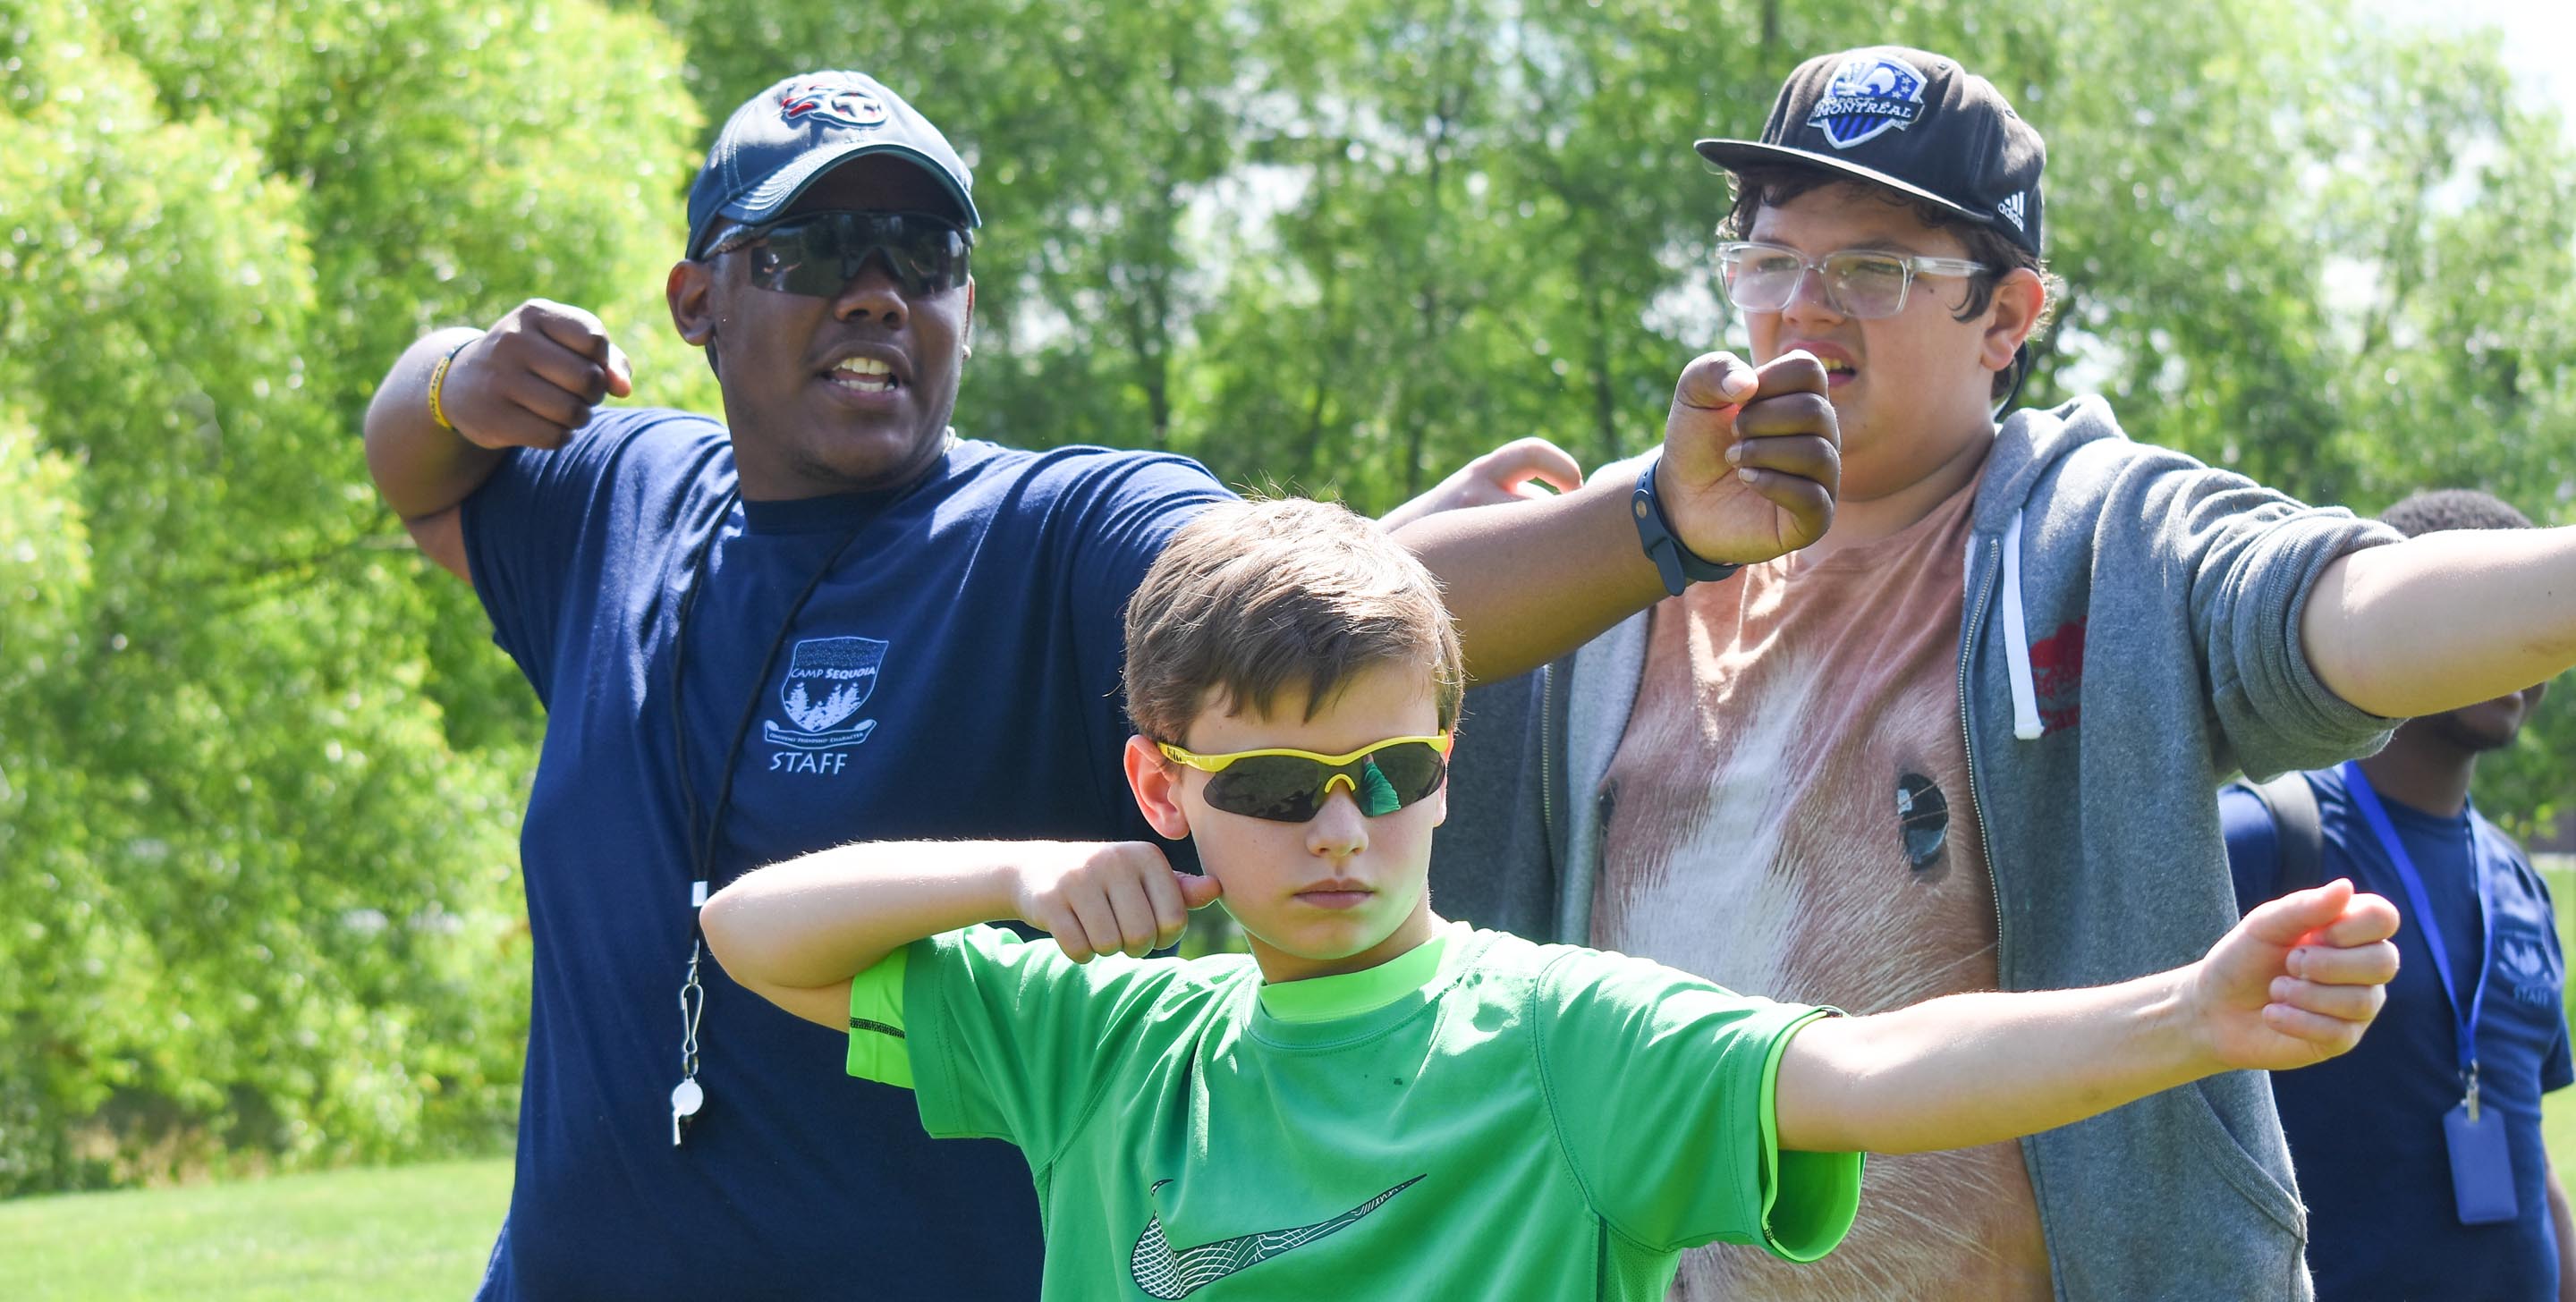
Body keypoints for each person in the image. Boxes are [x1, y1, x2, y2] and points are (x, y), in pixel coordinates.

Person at [362, 70, 1840, 1298]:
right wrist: (455, 377)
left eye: (921, 257)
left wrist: (1655, 523)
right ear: (699, 298)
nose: (877, 291)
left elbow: (1297, 635)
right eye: (816, 253)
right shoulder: (621, 491)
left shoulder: (1057, 529)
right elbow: (418, 474)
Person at [1414, 44, 2576, 1300]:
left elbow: (2338, 605)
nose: (1805, 305)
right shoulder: (1616, 549)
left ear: (2010, 316)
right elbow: (1292, 670)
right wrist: (1639, 526)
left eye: (1873, 268)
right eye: (1770, 259)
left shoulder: (2105, 540)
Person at [698, 495, 2402, 1301]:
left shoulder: (1565, 1032)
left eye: (1397, 773)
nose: (1347, 830)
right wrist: (1009, 870)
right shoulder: (1103, 1042)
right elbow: (752, 930)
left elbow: (1874, 1073)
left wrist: (2187, 1015)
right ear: (1163, 791)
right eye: (1279, 793)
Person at [2223, 488, 2574, 1302]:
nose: (2517, 646)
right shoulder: (2266, 838)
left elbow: (2524, 1143)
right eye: (2485, 606)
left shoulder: (2515, 877)